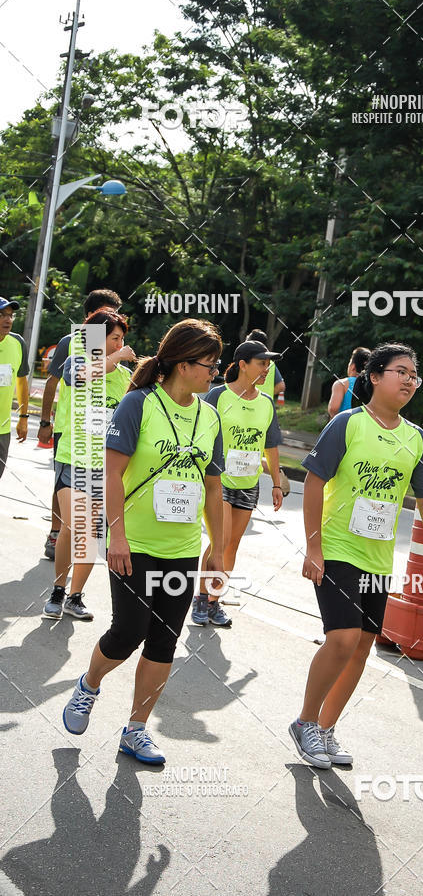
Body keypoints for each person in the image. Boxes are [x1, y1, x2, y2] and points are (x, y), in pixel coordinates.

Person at [62, 319, 225, 764]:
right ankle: (88, 685)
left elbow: (213, 488)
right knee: (128, 632)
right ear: (181, 362)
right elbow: (111, 473)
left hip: (183, 548)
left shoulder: (211, 416)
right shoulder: (138, 404)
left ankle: (135, 730)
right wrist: (116, 535)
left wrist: (219, 549)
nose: (214, 372)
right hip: (132, 543)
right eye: (208, 364)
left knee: (164, 640)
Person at [289, 343, 423, 767]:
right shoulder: (348, 424)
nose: (408, 380)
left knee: (362, 646)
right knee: (342, 638)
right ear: (375, 377)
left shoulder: (415, 437)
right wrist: (313, 545)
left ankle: (326, 729)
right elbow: (312, 483)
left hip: (377, 559)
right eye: (400, 371)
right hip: (338, 548)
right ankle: (306, 721)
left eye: (414, 375)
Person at [42, 309, 134, 621]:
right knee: (73, 525)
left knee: (91, 534)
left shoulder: (124, 379)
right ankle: (57, 589)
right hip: (73, 457)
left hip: (102, 465)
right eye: (114, 339)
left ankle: (75, 596)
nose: (119, 344)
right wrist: (118, 355)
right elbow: (80, 376)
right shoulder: (76, 362)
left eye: (122, 339)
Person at [190, 339, 283, 627]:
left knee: (232, 545)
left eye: (268, 363)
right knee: (221, 539)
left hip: (249, 483)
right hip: (219, 481)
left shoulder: (266, 403)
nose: (266, 368)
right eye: (261, 363)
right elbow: (198, 433)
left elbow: (271, 445)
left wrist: (277, 484)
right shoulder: (218, 396)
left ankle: (215, 601)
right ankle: (201, 598)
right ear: (242, 365)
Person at [39, 289, 123, 560]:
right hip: (68, 428)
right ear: (90, 318)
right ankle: (56, 531)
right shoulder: (71, 343)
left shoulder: (115, 351)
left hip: (99, 436)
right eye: (106, 314)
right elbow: (55, 381)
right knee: (62, 486)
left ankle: (83, 540)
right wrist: (44, 421)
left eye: (116, 314)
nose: (113, 319)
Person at [246, 328, 290, 496]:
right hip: (264, 410)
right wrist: (266, 395)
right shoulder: (271, 364)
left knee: (245, 449)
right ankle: (274, 469)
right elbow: (281, 386)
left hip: (249, 408)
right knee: (255, 449)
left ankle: (274, 470)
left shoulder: (246, 362)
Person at [0, 298, 29, 479]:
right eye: (1, 315)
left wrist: (23, 417)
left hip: (2, 431)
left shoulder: (17, 343)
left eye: (11, 315)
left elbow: (21, 382)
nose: (8, 320)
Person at [327, 347, 371, 418]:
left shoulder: (341, 384)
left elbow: (333, 409)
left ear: (352, 366)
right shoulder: (371, 384)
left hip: (345, 424)